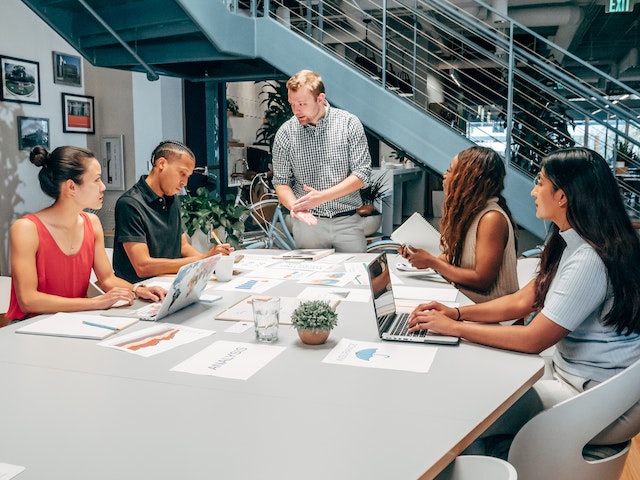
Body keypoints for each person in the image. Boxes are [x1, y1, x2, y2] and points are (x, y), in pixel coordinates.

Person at [408, 147, 640, 452]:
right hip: (580, 377)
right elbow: (521, 301)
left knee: (461, 417)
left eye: (540, 182)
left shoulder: (588, 259)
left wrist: (453, 328)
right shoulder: (568, 241)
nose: (532, 191)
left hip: (597, 396)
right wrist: (455, 313)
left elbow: (533, 339)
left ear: (562, 196)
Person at [4, 146, 166, 326]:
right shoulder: (26, 229)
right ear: (71, 186)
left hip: (76, 322)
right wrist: (96, 303)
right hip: (30, 328)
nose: (103, 187)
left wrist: (138, 290)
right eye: (96, 180)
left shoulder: (92, 222)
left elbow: (107, 279)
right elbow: (29, 300)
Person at [399, 146, 519, 302]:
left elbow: (482, 280)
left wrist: (432, 262)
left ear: (469, 178)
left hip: (495, 318)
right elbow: (453, 258)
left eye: (450, 170)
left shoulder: (491, 218)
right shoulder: (471, 213)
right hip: (469, 304)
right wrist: (418, 257)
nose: (444, 175)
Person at [271, 69, 372, 253]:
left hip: (347, 222)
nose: (296, 111)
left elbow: (362, 175)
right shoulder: (285, 133)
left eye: (302, 104)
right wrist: (295, 206)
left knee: (356, 278)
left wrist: (322, 197)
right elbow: (281, 182)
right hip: (308, 224)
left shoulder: (349, 123)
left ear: (320, 99)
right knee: (310, 280)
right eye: (292, 104)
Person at [113, 140, 233, 284]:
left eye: (188, 176)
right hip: (140, 290)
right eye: (182, 173)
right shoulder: (130, 204)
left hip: (170, 284)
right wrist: (203, 258)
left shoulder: (171, 199)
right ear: (162, 164)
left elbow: (183, 246)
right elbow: (142, 266)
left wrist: (210, 263)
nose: (185, 182)